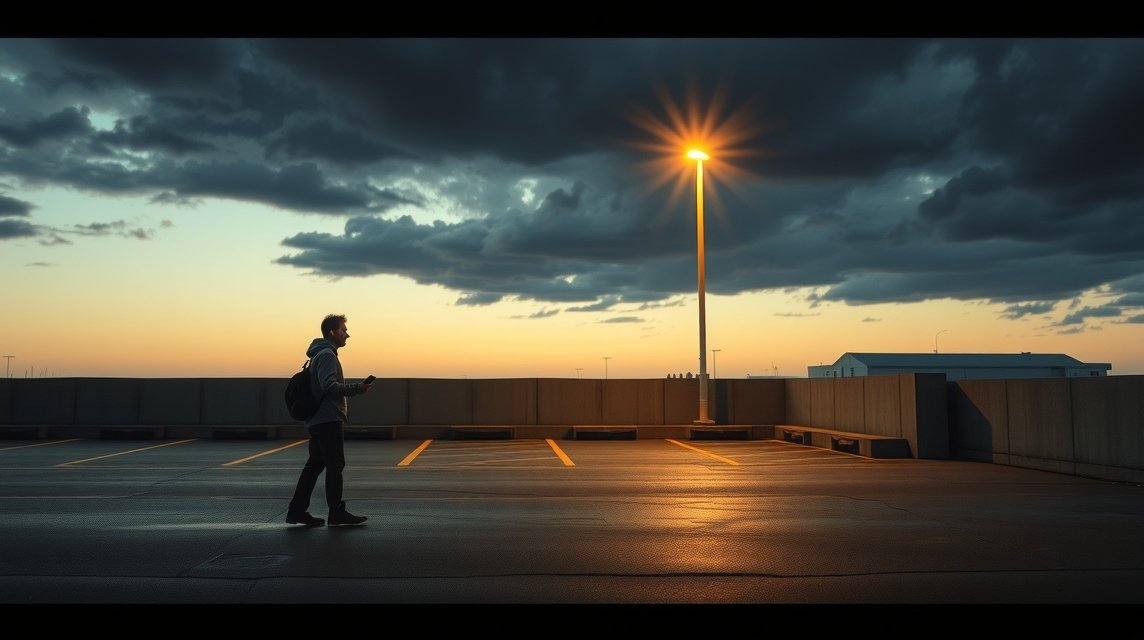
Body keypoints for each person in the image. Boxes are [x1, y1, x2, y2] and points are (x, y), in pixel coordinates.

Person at [287, 314, 372, 527]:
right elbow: (329, 386)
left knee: (314, 465)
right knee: (335, 465)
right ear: (332, 333)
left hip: (318, 420)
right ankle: (336, 513)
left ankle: (297, 511)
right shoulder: (327, 355)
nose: (348, 334)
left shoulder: (319, 354)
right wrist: (357, 389)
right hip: (328, 418)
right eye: (344, 330)